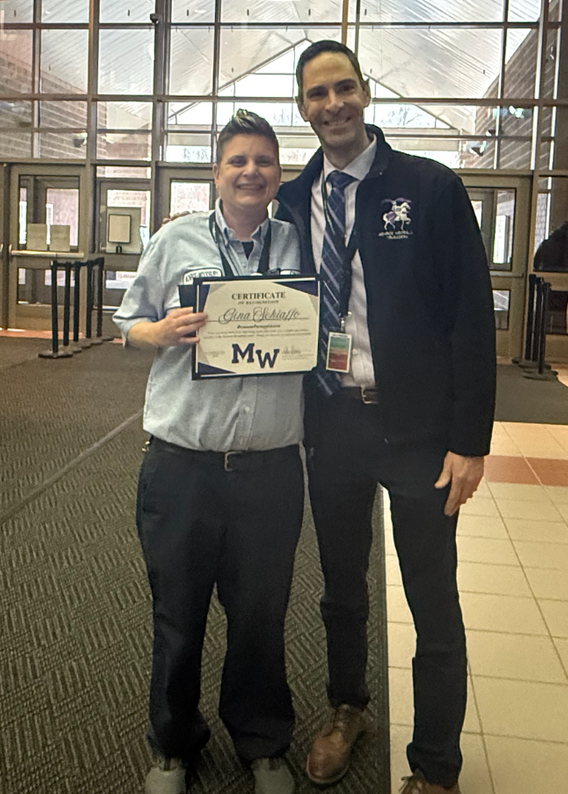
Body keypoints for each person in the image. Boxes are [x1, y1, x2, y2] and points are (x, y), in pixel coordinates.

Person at [275, 41, 496, 794]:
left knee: (432, 599)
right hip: (333, 424)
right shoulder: (292, 199)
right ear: (302, 107)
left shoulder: (428, 187)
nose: (332, 104)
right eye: (316, 94)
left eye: (343, 88)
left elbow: (471, 319)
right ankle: (348, 708)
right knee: (342, 587)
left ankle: (436, 767)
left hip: (419, 434)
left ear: (365, 93)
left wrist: (470, 442)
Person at [113, 111, 304, 794]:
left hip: (270, 469)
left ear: (278, 174)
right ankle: (173, 746)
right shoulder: (175, 240)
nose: (251, 172)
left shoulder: (301, 244)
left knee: (261, 617)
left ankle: (262, 742)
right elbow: (125, 322)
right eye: (237, 161)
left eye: (264, 161)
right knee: (178, 614)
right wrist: (158, 332)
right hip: (182, 467)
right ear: (215, 174)